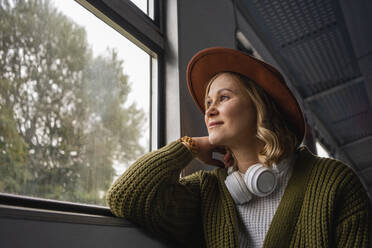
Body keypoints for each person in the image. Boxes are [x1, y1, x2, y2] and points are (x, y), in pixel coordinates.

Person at [106, 47, 371, 247]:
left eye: (223, 97)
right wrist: (188, 146)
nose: (210, 109)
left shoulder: (334, 182)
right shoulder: (207, 191)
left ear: (260, 107)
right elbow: (126, 196)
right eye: (208, 102)